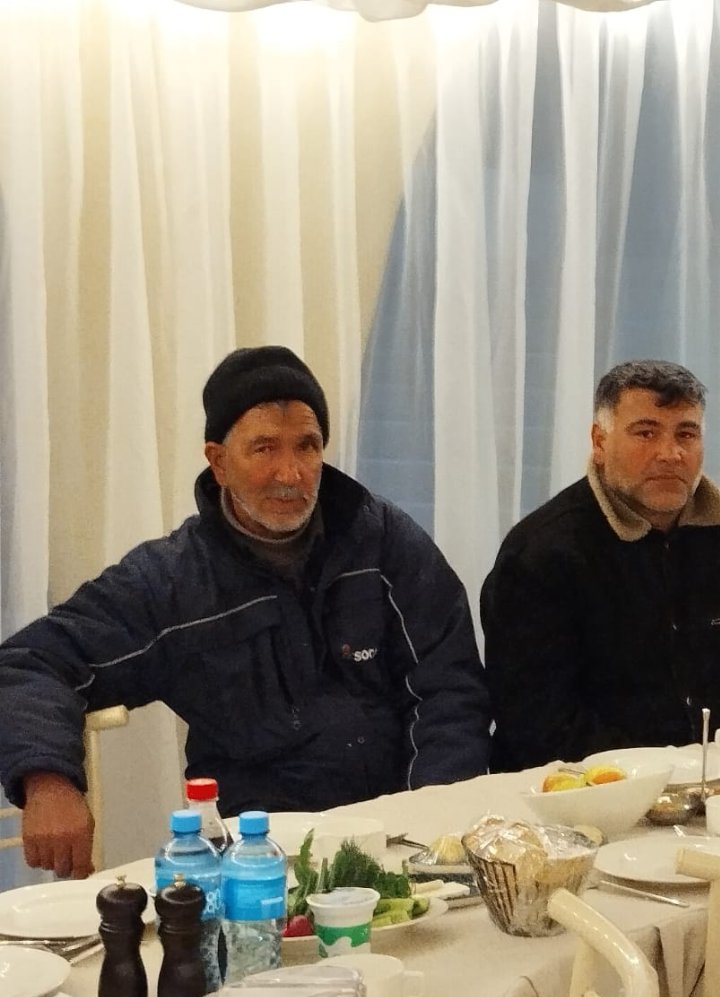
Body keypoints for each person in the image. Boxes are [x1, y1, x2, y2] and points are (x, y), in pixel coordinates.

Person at [0, 346, 492, 878]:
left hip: (401, 842)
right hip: (261, 865)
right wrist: (47, 779)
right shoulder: (172, 581)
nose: (291, 473)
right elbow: (30, 662)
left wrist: (429, 826)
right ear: (218, 462)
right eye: (264, 448)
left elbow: (449, 689)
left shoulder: (383, 541)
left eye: (307, 446)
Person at [480, 360, 720, 770]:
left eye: (686, 434)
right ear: (599, 442)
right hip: (586, 787)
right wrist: (663, 776)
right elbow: (536, 722)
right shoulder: (541, 554)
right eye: (646, 433)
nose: (670, 454)